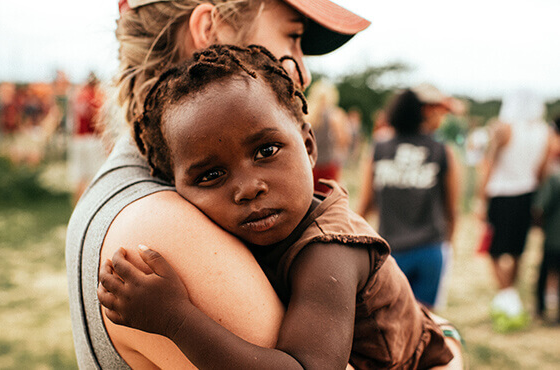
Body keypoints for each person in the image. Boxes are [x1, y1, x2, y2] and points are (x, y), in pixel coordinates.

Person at [97, 44, 458, 369]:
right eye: (211, 175)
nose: (249, 188)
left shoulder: (330, 250)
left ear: (308, 145)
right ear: (172, 186)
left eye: (266, 151)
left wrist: (174, 319)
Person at [65, 1, 374, 369]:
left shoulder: (125, 184)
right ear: (210, 32)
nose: (303, 73)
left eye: (266, 151)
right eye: (292, 38)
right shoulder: (159, 227)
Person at [357, 85, 460, 310]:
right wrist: (447, 244)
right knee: (423, 325)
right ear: (423, 113)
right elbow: (452, 208)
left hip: (389, 251)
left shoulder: (379, 149)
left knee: (389, 324)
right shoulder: (441, 150)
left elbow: (365, 204)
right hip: (429, 249)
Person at [477, 89, 552, 332]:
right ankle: (510, 297)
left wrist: (481, 198)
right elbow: (542, 170)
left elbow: (489, 163)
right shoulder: (545, 131)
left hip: (501, 194)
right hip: (526, 193)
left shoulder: (504, 128)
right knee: (518, 248)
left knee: (494, 248)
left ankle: (506, 294)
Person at [532, 116, 560, 323]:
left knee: (544, 273)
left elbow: (540, 207)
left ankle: (540, 309)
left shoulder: (554, 176)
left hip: (554, 237)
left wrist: (538, 221)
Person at [306, 79, 351, 194]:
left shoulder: (307, 113)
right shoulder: (335, 114)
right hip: (328, 164)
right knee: (327, 200)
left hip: (309, 164)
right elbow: (343, 140)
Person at [68, 72, 107, 204]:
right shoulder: (96, 96)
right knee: (94, 177)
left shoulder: (78, 96)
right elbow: (98, 121)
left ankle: (76, 211)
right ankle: (90, 207)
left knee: (79, 177)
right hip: (92, 140)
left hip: (78, 139)